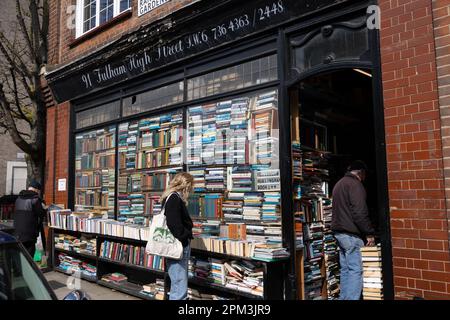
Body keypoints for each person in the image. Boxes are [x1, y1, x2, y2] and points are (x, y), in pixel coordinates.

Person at [331, 160, 375, 300]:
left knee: (346, 270)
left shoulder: (339, 184)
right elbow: (359, 212)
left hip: (339, 234)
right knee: (356, 270)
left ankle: (344, 297)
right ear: (361, 172)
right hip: (351, 235)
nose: (365, 177)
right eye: (365, 174)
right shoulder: (355, 185)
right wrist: (369, 232)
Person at [160, 172, 194, 300]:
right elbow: (173, 224)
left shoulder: (171, 197)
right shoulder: (174, 198)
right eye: (191, 186)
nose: (192, 189)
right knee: (179, 286)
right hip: (178, 246)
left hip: (176, 245)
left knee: (177, 283)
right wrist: (185, 236)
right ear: (186, 185)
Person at [13, 180, 46, 259]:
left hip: (17, 232)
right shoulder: (35, 199)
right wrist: (44, 207)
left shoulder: (19, 198)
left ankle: (19, 270)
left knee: (21, 253)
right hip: (29, 233)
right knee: (29, 254)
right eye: (38, 191)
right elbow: (41, 214)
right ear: (36, 190)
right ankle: (28, 270)